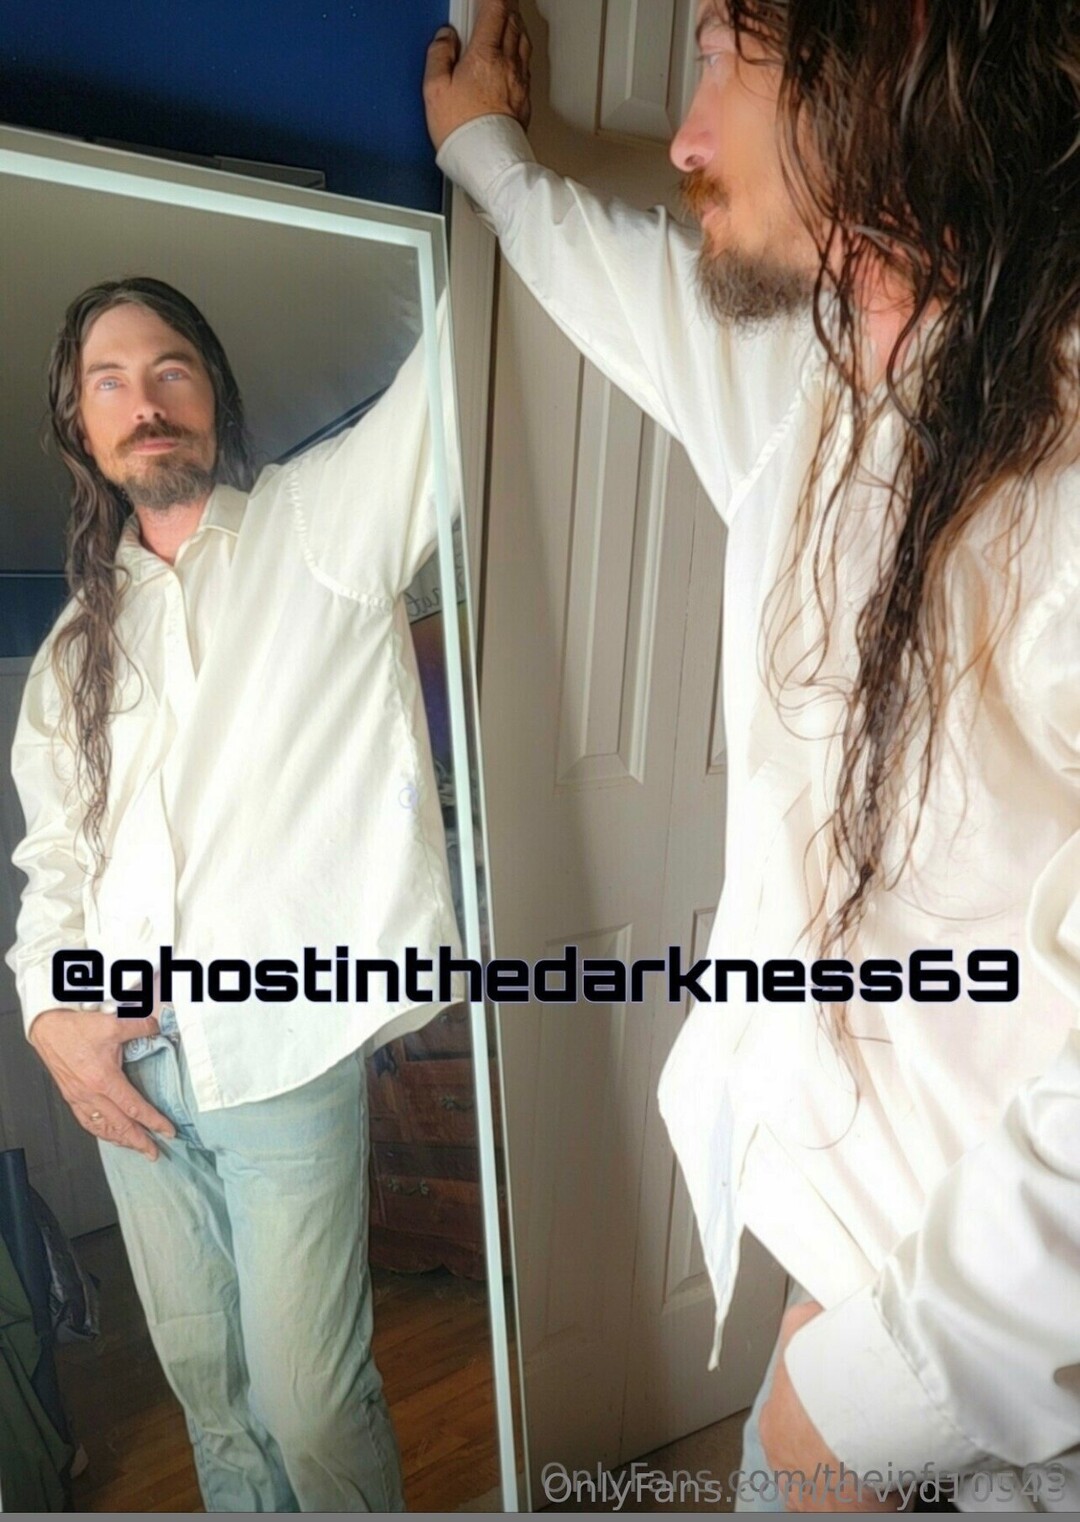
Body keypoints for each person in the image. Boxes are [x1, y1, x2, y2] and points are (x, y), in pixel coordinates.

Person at [424, 0, 1080, 1512]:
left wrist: (867, 1400)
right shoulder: (820, 393)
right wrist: (489, 155)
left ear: (890, 51)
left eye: (721, 56)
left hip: (999, 1411)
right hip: (841, 1301)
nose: (682, 137)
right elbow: (622, 282)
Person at [6, 276, 461, 1511]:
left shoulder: (322, 529)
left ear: (214, 392)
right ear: (81, 427)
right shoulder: (69, 656)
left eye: (171, 369)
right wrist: (51, 1021)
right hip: (125, 1077)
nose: (145, 402)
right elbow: (55, 867)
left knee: (311, 1404)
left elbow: (459, 361)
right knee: (211, 1394)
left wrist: (496, 186)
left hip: (280, 1056)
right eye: (109, 382)